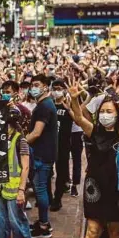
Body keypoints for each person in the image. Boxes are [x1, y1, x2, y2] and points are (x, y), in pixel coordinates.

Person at [68, 78, 119, 238]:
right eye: (102, 111)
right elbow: (79, 118)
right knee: (92, 230)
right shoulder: (95, 131)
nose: (105, 115)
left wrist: (117, 100)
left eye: (109, 111)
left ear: (117, 113)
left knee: (116, 232)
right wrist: (75, 98)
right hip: (95, 186)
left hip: (117, 188)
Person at [0, 108, 34, 238]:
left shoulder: (19, 140)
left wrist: (21, 190)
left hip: (15, 189)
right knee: (0, 221)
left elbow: (25, 166)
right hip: (1, 188)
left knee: (16, 221)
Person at [26, 74, 57, 238]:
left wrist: (21, 143)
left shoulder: (44, 106)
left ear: (46, 86)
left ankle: (44, 225)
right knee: (40, 189)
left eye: (37, 84)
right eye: (32, 85)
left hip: (42, 155)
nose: (33, 88)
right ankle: (42, 222)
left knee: (40, 189)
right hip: (43, 153)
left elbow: (37, 133)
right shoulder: (44, 104)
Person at [50, 79, 75, 211]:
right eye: (54, 88)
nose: (56, 91)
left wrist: (69, 109)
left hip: (63, 145)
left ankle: (57, 198)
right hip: (49, 144)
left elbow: (77, 118)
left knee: (61, 172)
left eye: (59, 88)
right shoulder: (49, 105)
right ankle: (48, 197)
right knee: (48, 172)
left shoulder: (68, 105)